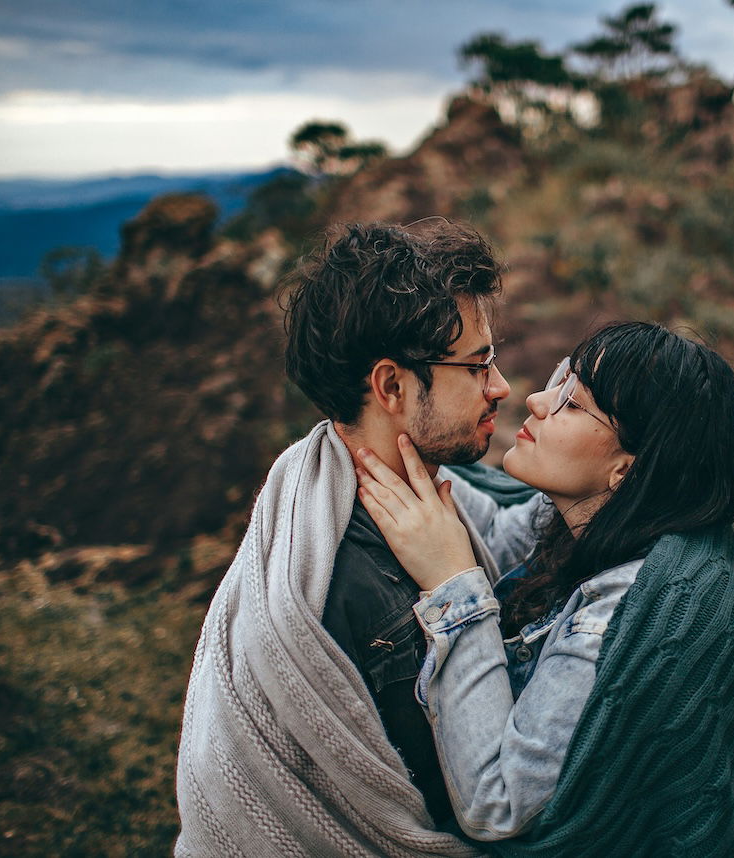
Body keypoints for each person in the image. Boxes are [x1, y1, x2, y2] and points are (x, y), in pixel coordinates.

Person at [175, 221, 543, 857]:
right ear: (392, 387)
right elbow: (470, 799)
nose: (501, 386)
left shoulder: (423, 492)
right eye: (477, 364)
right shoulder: (362, 587)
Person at [355, 322, 734, 857]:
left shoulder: (620, 617)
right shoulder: (595, 517)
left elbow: (498, 803)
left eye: (572, 404)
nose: (535, 400)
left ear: (626, 469)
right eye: (558, 382)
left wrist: (451, 583)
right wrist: (380, 432)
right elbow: (491, 532)